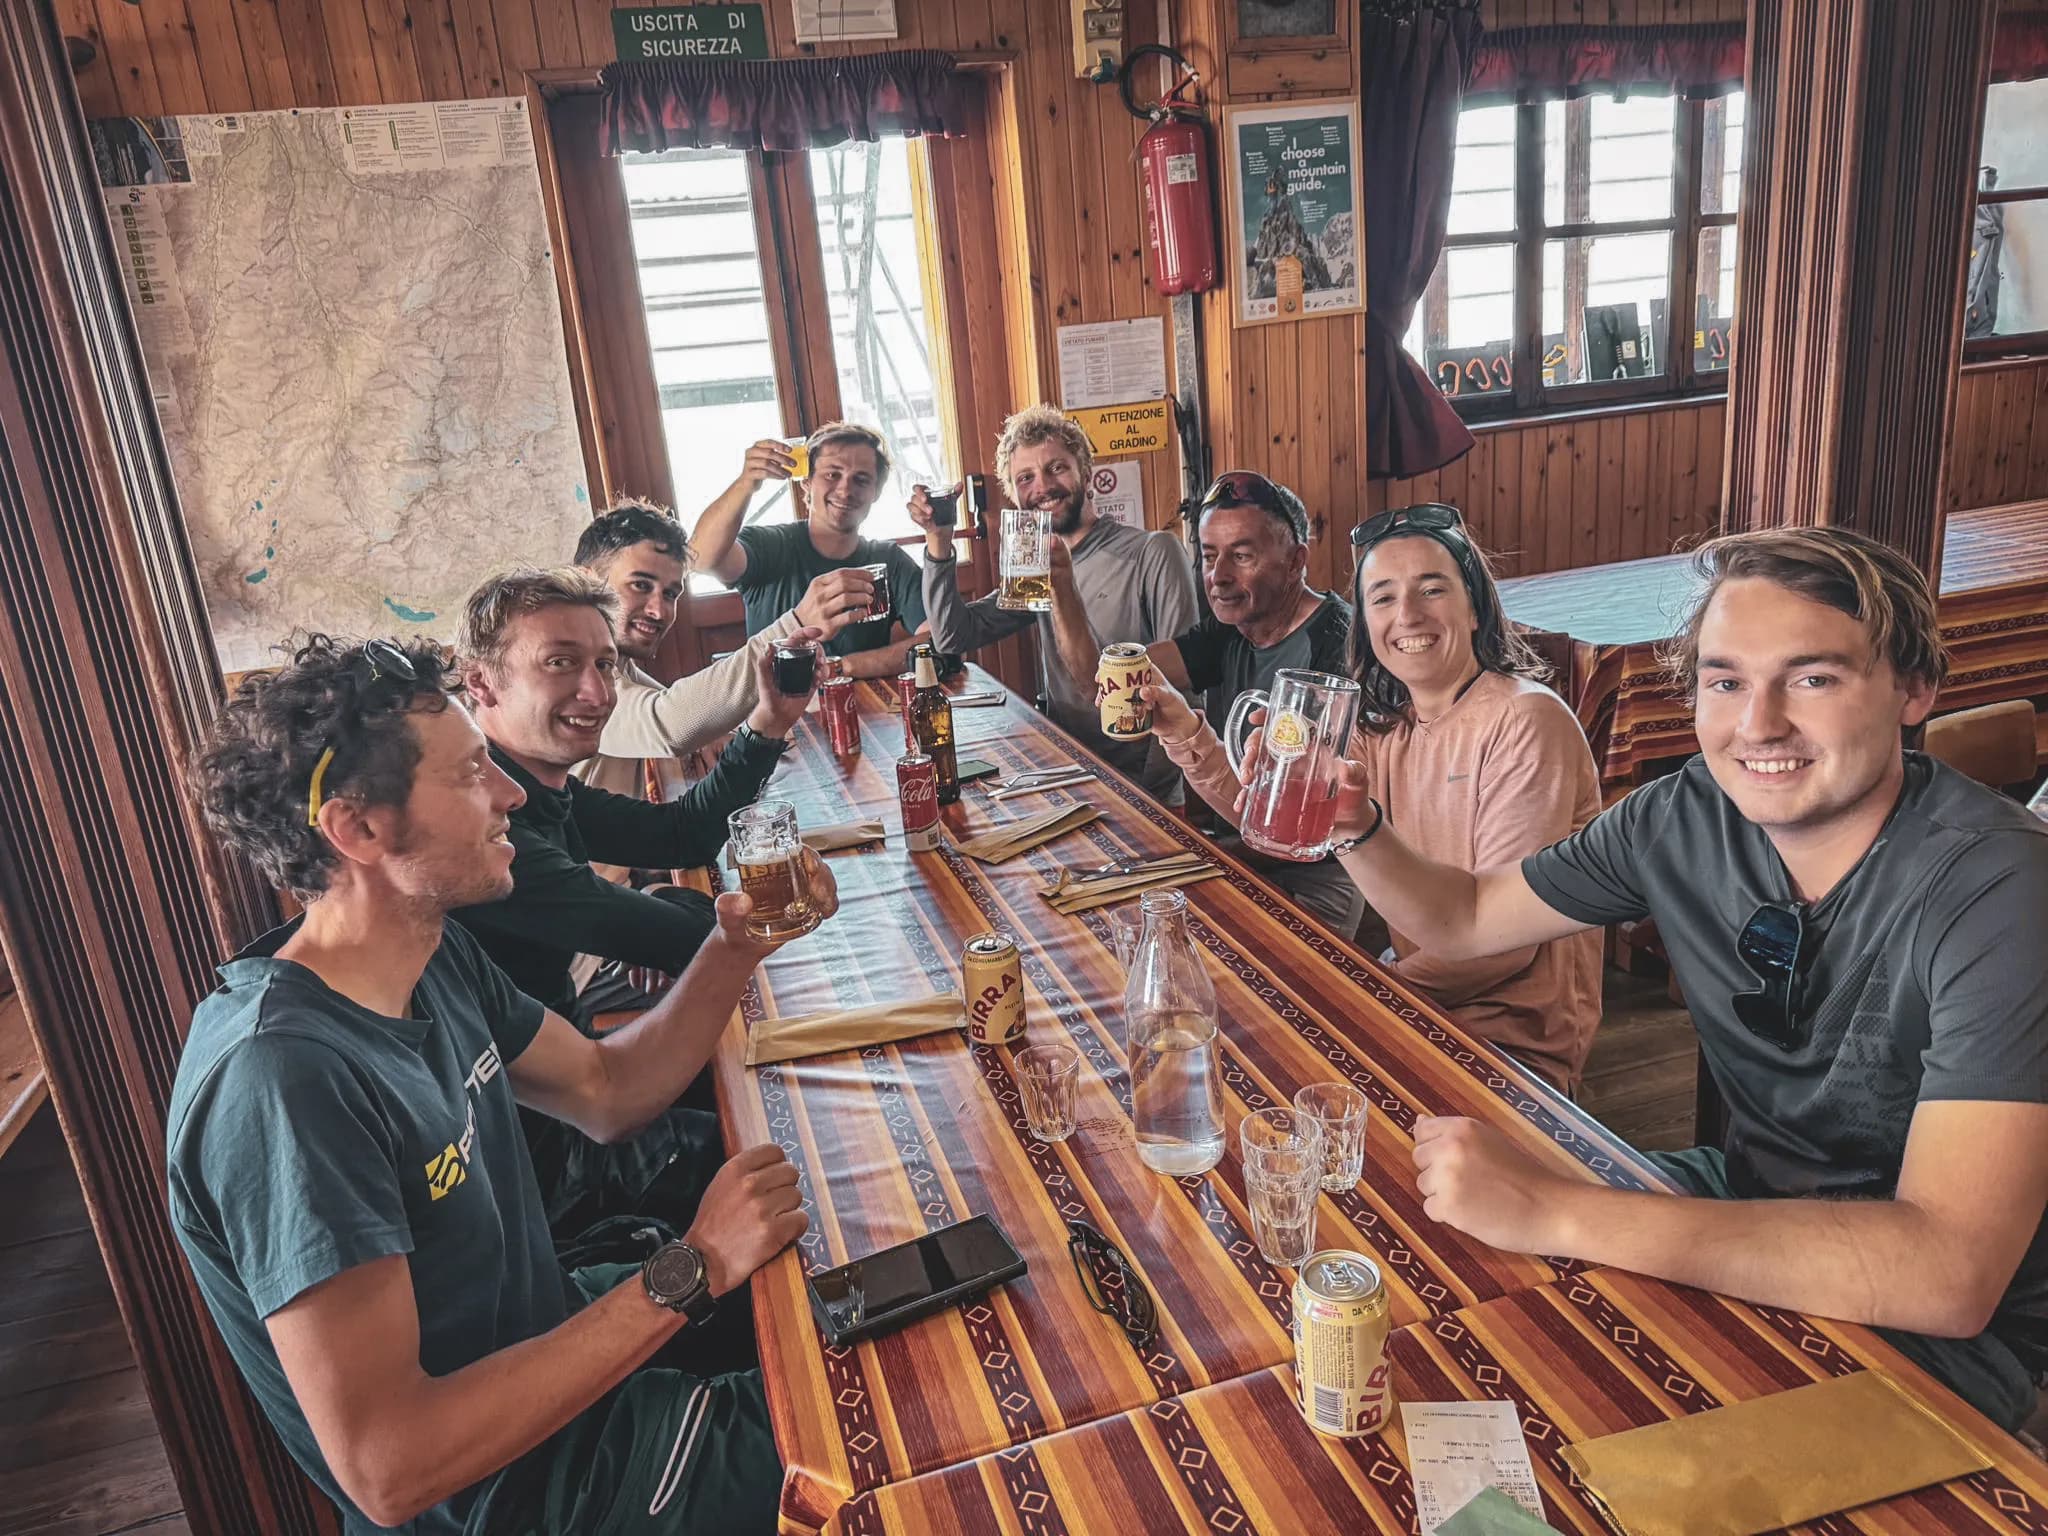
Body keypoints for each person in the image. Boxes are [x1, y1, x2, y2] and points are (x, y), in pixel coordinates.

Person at [1315, 526, 2048, 1430]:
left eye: (1813, 678)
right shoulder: (1685, 814)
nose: (1759, 724)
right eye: (1725, 680)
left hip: (1951, 1340)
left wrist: (1556, 1210)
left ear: (1914, 689)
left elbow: (1949, 1273)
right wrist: (1354, 824)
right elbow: (1464, 917)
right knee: (1426, 1301)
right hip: (1740, 1196)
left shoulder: (2003, 887)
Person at [170, 635, 835, 1533]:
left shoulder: (433, 956)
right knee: (879, 1418)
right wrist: (694, 1265)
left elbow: (605, 1089)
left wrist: (733, 947)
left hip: (562, 1353)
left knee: (853, 1290)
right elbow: (390, 1468)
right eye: (471, 774)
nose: (512, 796)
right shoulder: (284, 1081)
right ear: (359, 829)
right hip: (525, 1494)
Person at [1142, 504, 1603, 1092]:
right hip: (1423, 1007)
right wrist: (1185, 732)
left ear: (1474, 606)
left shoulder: (1524, 719)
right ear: (1365, 622)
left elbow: (1500, 950)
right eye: (1382, 597)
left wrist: (1367, 994)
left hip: (1514, 1046)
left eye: (1431, 589)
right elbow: (1279, 824)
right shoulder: (1388, 729)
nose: (1407, 615)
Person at [448, 568, 817, 1235]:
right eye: (560, 664)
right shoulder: (491, 834)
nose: (595, 692)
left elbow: (679, 834)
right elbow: (680, 938)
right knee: (803, 1145)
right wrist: (681, 913)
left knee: (779, 1079)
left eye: (604, 665)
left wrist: (767, 723)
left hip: (575, 1086)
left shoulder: (536, 783)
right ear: (481, 682)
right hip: (546, 1168)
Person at [1065, 470, 1358, 929]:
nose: (1218, 577)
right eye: (1208, 556)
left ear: (1296, 560)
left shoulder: (1336, 644)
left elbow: (1298, 828)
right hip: (1241, 851)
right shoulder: (1229, 626)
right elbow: (1122, 678)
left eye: (1241, 556)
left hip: (1313, 881)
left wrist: (1193, 859)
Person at [914, 404, 1199, 800]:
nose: (1042, 486)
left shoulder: (1154, 552)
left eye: (1057, 468)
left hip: (1140, 787)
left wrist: (1150, 796)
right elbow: (951, 637)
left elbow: (1185, 686)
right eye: (1025, 478)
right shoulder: (1035, 568)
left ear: (1087, 474)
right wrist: (939, 540)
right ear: (1014, 497)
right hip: (1067, 770)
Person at [573, 496, 868, 798]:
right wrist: (795, 624)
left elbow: (663, 703)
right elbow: (667, 722)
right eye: (640, 585)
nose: (659, 611)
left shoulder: (615, 663)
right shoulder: (567, 672)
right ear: (587, 581)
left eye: (671, 594)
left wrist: (704, 738)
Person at [689, 425, 929, 679]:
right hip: (776, 713)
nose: (845, 490)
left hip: (862, 710)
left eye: (861, 479)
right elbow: (701, 559)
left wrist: (840, 667)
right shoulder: (768, 545)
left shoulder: (889, 560)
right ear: (806, 481)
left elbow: (937, 642)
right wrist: (747, 482)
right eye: (832, 475)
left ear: (876, 492)